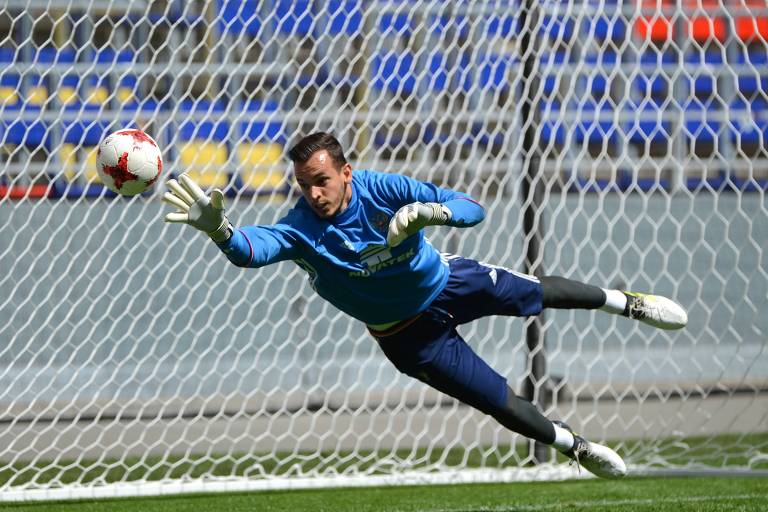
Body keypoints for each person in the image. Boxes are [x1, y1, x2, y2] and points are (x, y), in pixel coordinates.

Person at [162, 131, 687, 479]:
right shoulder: (300, 228)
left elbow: (471, 208)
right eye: (304, 185)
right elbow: (252, 251)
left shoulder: (382, 188)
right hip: (408, 337)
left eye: (321, 180)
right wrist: (219, 229)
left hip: (447, 281)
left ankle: (628, 303)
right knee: (496, 400)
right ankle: (576, 448)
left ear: (347, 171)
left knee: (533, 292)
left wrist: (426, 213)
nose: (314, 194)